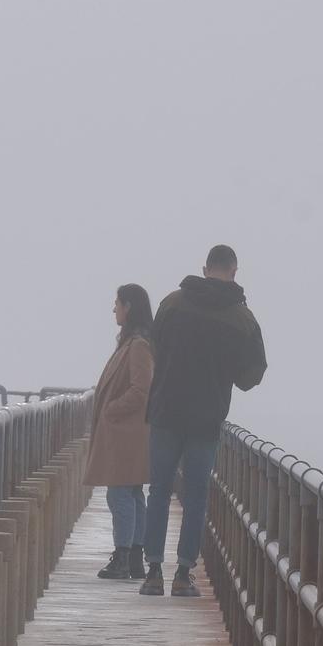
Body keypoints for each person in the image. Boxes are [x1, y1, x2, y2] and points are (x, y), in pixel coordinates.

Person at [139, 244, 267, 597]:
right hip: (206, 418)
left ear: (205, 267)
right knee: (196, 496)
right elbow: (251, 375)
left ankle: (152, 571)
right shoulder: (242, 319)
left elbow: (153, 344)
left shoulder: (172, 303)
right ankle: (183, 573)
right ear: (234, 271)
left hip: (166, 411)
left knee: (160, 491)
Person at [83, 283, 155, 580]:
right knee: (133, 494)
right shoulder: (134, 342)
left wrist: (111, 409)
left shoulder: (138, 345)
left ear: (129, 307)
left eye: (117, 303)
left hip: (128, 433)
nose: (114, 309)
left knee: (120, 495)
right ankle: (135, 557)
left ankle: (123, 556)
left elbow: (142, 389)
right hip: (130, 434)